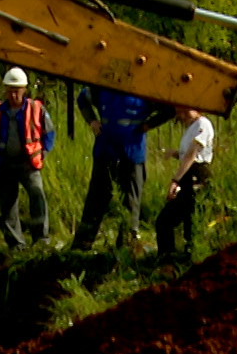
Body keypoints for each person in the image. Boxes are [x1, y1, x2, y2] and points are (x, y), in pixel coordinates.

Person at [70, 85, 171, 251]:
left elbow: (169, 108)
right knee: (96, 200)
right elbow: (82, 99)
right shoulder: (102, 85)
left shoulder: (146, 87)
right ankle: (82, 246)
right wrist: (92, 120)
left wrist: (150, 124)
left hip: (132, 154)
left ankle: (126, 246)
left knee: (131, 202)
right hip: (105, 151)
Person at [0, 67, 55, 248]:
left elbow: (49, 133)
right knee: (8, 205)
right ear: (5, 90)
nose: (13, 94)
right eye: (10, 90)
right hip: (4, 164)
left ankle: (41, 240)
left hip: (28, 163)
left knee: (37, 195)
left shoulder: (36, 108)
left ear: (24, 90)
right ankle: (16, 244)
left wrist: (42, 153)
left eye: (17, 90)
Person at [155, 106, 214, 262]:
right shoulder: (192, 127)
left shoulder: (203, 124)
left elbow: (191, 156)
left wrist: (175, 181)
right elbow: (187, 154)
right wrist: (175, 153)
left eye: (184, 110)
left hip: (197, 177)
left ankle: (176, 260)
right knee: (178, 220)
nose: (182, 115)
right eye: (179, 111)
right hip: (189, 177)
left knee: (185, 222)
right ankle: (172, 259)